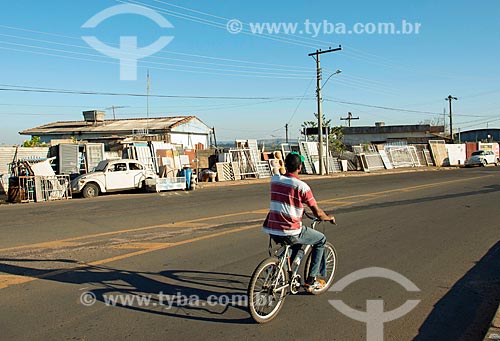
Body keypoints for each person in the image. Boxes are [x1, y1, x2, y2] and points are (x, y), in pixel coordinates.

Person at [262, 152, 335, 293]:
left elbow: (280, 171)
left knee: (296, 241)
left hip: (271, 228)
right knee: (320, 239)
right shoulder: (302, 187)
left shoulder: (275, 180)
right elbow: (317, 213)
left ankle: (277, 268)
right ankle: (311, 281)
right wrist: (328, 217)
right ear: (300, 167)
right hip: (290, 230)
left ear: (286, 165)